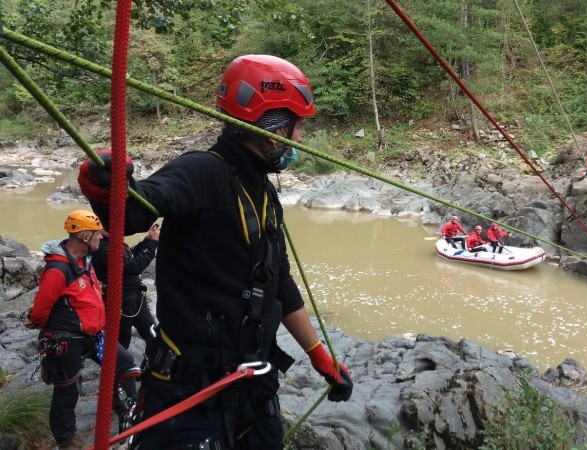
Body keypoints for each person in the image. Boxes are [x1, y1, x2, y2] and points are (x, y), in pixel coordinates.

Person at [78, 55, 353, 450]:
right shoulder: (204, 171)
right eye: (298, 126)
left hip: (253, 390)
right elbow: (139, 209)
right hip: (188, 397)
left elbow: (280, 285)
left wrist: (318, 355)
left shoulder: (264, 192)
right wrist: (104, 184)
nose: (300, 139)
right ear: (274, 128)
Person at [26, 210, 139, 450]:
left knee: (125, 362)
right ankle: (66, 440)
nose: (102, 239)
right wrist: (40, 324)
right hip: (67, 340)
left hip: (93, 335)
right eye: (99, 235)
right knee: (67, 391)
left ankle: (128, 409)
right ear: (86, 236)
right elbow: (40, 309)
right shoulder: (58, 269)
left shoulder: (84, 260)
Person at [91, 222, 160, 350]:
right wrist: (153, 243)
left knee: (150, 331)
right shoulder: (103, 248)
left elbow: (129, 256)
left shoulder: (111, 242)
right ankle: (119, 367)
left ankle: (155, 363)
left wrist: (147, 240)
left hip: (134, 298)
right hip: (120, 301)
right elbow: (134, 267)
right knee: (123, 340)